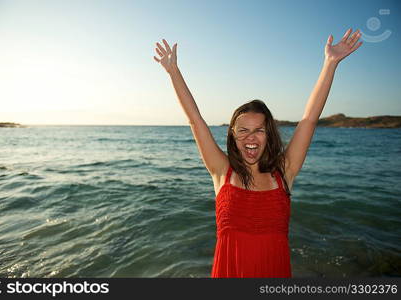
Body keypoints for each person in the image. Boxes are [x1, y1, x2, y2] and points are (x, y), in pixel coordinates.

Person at [153, 29, 362, 278]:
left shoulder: (285, 172)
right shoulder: (221, 171)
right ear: (232, 134)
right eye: (243, 130)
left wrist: (330, 64)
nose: (251, 137)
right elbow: (195, 120)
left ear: (269, 134)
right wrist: (173, 72)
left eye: (259, 130)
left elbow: (308, 120)